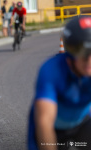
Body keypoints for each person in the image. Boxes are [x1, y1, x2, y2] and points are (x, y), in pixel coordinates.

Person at [28, 16, 91, 150]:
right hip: (54, 127)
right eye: (84, 53)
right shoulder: (51, 70)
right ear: (71, 52)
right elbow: (45, 123)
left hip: (83, 121)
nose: (89, 60)